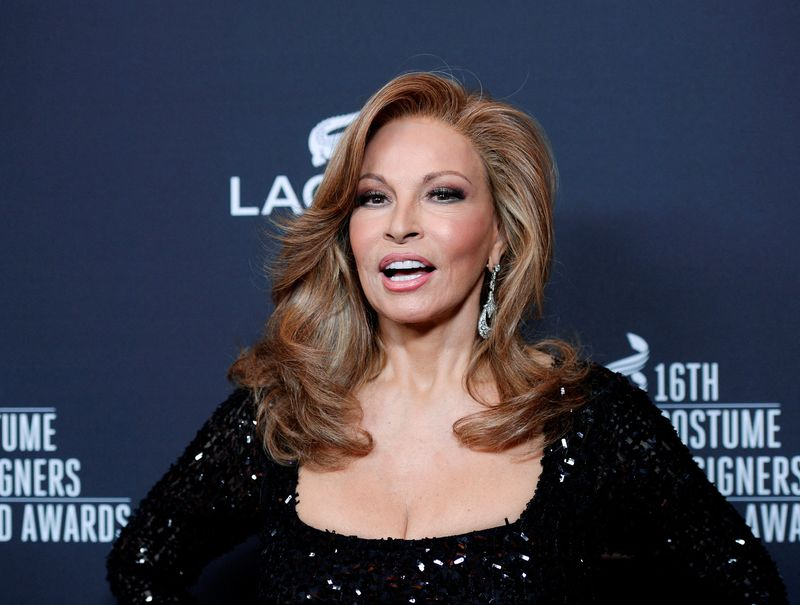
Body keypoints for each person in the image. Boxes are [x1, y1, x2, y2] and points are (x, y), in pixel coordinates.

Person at [106, 73, 787, 603]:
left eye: (443, 194)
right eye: (373, 197)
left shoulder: (589, 423)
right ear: (348, 232)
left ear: (500, 236)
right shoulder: (284, 416)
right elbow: (141, 562)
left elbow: (748, 589)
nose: (400, 223)